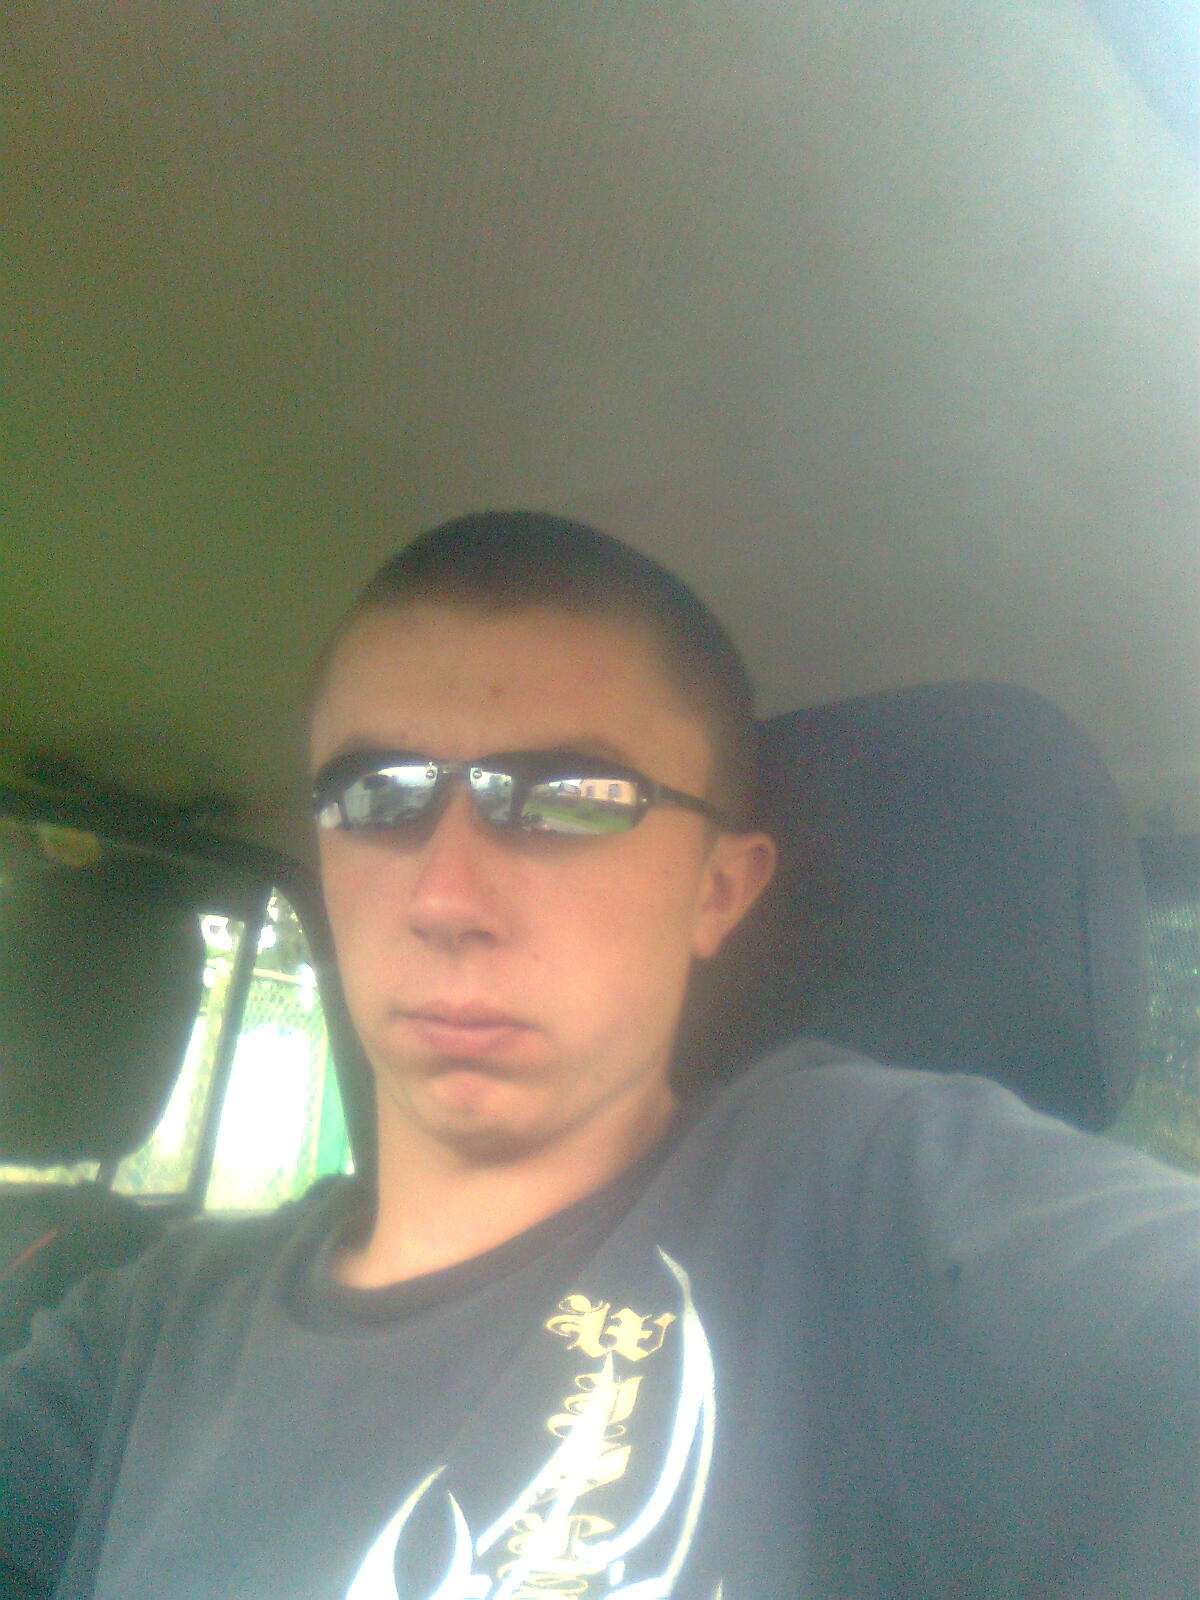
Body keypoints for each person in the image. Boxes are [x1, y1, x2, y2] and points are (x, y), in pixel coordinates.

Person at [2, 511, 1197, 1600]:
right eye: (377, 797)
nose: (445, 897)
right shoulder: (138, 1332)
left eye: (570, 798)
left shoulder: (873, 1202)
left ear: (717, 891)